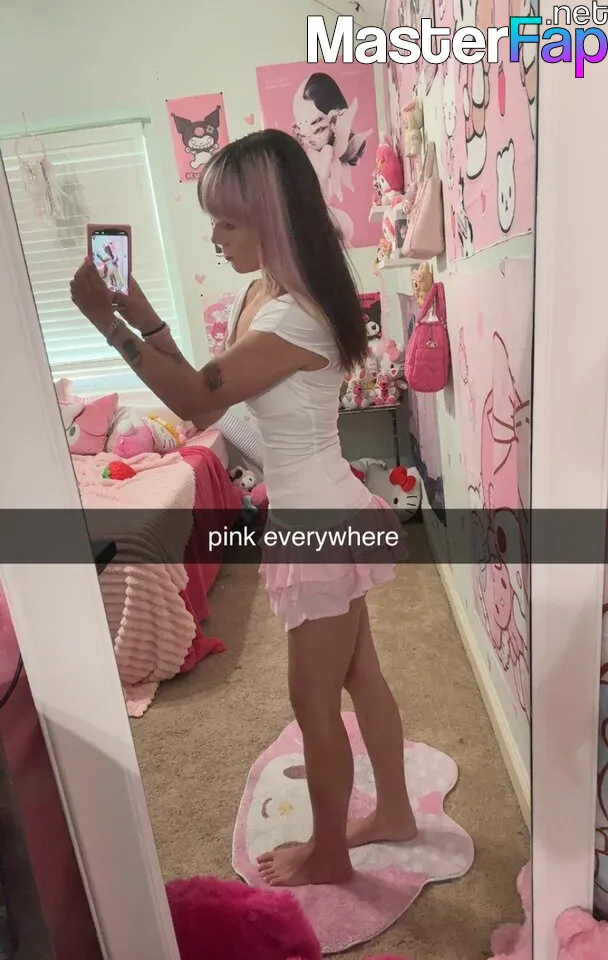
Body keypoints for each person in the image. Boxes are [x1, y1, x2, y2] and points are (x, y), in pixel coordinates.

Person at [69, 129, 417, 888]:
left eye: (227, 221)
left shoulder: (291, 316)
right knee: (359, 673)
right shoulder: (266, 295)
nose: (215, 236)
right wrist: (143, 315)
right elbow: (206, 388)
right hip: (326, 506)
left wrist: (108, 323)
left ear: (272, 220)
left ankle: (330, 854)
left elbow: (194, 401)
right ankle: (393, 811)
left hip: (318, 523)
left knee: (313, 701)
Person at [292, 73, 372, 246]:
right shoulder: (320, 156)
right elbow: (316, 198)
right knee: (344, 224)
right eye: (303, 133)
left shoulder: (329, 154)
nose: (310, 140)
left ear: (334, 119)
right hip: (312, 219)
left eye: (317, 129)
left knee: (344, 225)